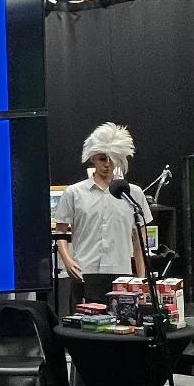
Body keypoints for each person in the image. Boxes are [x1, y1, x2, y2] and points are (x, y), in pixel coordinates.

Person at [54, 122, 150, 304]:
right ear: (93, 158)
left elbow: (140, 241)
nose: (107, 164)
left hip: (121, 272)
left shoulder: (133, 193)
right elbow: (60, 232)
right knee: (84, 319)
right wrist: (67, 261)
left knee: (122, 319)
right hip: (84, 270)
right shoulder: (74, 193)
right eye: (102, 158)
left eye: (112, 159)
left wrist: (141, 279)